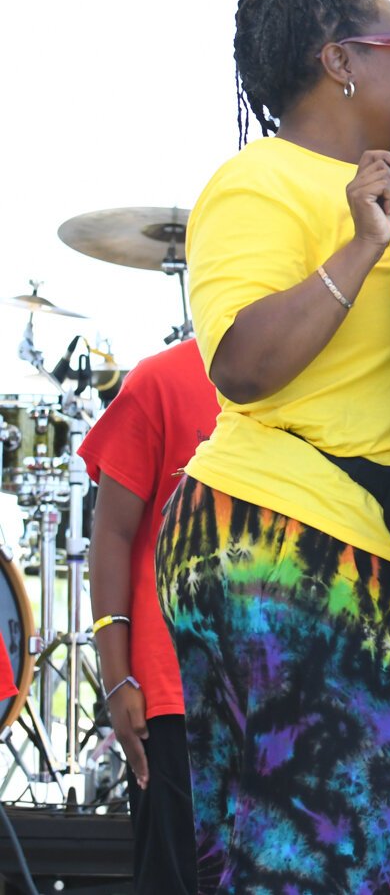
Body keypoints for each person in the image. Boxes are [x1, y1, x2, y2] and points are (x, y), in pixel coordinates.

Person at [157, 0, 390, 894]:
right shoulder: (260, 180)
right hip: (286, 539)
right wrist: (358, 249)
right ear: (341, 60)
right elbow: (243, 364)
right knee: (343, 859)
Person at [82, 336, 218, 894]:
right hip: (176, 698)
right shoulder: (161, 379)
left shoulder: (328, 377)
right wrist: (117, 680)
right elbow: (111, 532)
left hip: (296, 696)